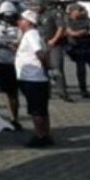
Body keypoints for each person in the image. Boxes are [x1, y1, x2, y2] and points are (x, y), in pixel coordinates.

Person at [17, 10, 54, 148]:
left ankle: (40, 135)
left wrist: (46, 68)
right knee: (42, 108)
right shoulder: (32, 34)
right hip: (34, 77)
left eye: (21, 19)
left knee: (36, 109)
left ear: (28, 21)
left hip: (33, 77)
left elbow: (40, 53)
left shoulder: (31, 34)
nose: (18, 22)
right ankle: (46, 133)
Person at [0, 2, 24, 130]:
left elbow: (23, 41)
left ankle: (15, 118)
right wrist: (0, 44)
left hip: (16, 62)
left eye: (11, 16)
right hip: (0, 61)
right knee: (6, 91)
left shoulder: (19, 26)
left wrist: (15, 45)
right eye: (5, 16)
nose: (8, 19)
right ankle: (12, 117)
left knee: (14, 92)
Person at [36, 1, 72, 102]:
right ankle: (46, 92)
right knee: (44, 69)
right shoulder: (37, 15)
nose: (35, 8)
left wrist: (54, 39)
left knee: (57, 68)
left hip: (54, 44)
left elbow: (60, 27)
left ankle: (62, 92)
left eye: (37, 5)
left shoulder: (54, 13)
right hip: (41, 44)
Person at [64, 4, 90, 99]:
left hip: (88, 46)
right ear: (72, 11)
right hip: (77, 46)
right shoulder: (67, 20)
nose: (80, 12)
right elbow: (70, 32)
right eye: (77, 10)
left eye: (80, 10)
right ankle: (83, 90)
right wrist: (81, 32)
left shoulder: (85, 19)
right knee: (81, 69)